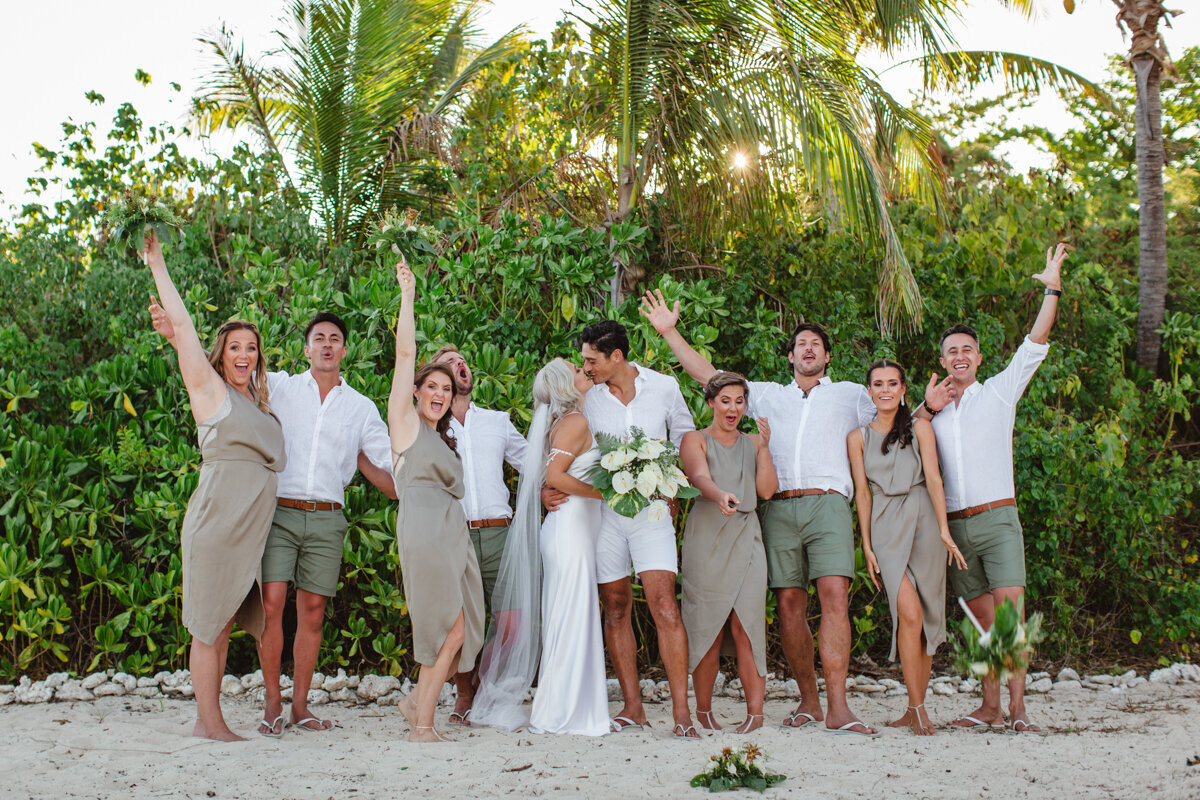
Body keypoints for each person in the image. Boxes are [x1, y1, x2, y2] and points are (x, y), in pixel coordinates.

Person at [641, 291, 877, 735]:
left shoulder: (852, 395)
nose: (808, 348)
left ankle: (839, 708)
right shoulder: (765, 396)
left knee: (833, 596)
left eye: (816, 344)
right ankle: (809, 701)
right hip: (779, 507)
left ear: (827, 356)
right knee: (788, 605)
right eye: (800, 343)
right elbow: (711, 377)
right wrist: (670, 332)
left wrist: (935, 405)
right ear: (790, 356)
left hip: (828, 502)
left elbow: (892, 415)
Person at [919, 243, 1069, 734]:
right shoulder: (932, 413)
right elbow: (896, 439)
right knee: (984, 626)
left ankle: (1018, 709)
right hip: (956, 530)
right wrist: (925, 408)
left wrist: (1051, 286)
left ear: (978, 358)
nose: (959, 357)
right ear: (941, 359)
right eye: (951, 351)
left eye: (967, 350)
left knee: (1010, 619)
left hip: (999, 520)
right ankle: (989, 707)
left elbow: (1036, 340)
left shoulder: (1001, 392)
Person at [144, 231, 286, 741]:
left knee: (222, 624)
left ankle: (211, 720)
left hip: (245, 536)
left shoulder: (261, 404)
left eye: (251, 348)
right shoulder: (211, 393)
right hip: (215, 526)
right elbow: (183, 327)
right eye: (234, 348)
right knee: (208, 626)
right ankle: (210, 723)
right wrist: (157, 261)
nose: (243, 355)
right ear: (219, 355)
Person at [255, 313, 397, 736]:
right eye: (319, 338)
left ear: (345, 350)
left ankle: (300, 706)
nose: (327, 345)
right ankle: (272, 703)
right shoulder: (280, 387)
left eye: (335, 339)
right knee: (270, 605)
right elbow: (232, 379)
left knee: (313, 613)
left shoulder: (360, 407)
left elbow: (387, 463)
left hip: (327, 518)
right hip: (280, 511)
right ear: (306, 348)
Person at [474, 358, 610, 735]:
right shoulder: (575, 423)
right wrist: (603, 492)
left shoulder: (564, 423)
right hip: (570, 531)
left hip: (570, 529)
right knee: (570, 617)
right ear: (567, 385)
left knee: (568, 616)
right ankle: (562, 713)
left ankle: (569, 707)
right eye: (578, 371)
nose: (585, 372)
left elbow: (548, 475)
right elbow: (553, 476)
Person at [577, 320, 698, 739]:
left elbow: (686, 438)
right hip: (603, 513)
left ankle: (682, 713)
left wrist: (676, 484)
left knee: (665, 604)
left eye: (591, 359)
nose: (585, 367)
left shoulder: (664, 387)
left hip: (652, 513)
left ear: (616, 356)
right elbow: (568, 444)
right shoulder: (586, 399)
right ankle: (633, 707)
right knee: (614, 606)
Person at [388, 261, 485, 743]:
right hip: (425, 533)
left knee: (461, 631)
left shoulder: (443, 439)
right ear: (416, 391)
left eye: (447, 390)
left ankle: (414, 705)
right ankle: (421, 726)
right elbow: (406, 354)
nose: (440, 395)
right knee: (442, 629)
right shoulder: (404, 428)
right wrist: (408, 295)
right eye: (433, 387)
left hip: (452, 536)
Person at [847, 360, 967, 735]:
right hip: (885, 525)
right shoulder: (857, 438)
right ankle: (917, 708)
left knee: (929, 615)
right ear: (869, 392)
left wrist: (945, 529)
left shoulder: (919, 428)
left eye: (892, 383)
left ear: (903, 390)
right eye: (878, 384)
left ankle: (914, 706)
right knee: (910, 614)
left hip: (925, 523)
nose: (885, 389)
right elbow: (862, 494)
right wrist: (866, 544)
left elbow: (933, 478)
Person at [430, 345, 527, 725]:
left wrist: (554, 486)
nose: (461, 366)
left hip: (501, 535)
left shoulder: (497, 421)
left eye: (463, 361)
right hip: (456, 535)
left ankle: (485, 686)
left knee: (511, 623)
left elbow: (531, 465)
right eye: (450, 363)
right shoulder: (430, 428)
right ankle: (464, 695)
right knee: (462, 623)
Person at [679, 372, 777, 735]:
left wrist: (764, 449)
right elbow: (699, 477)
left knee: (747, 623)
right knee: (708, 625)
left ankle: (755, 715)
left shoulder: (753, 442)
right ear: (711, 403)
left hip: (746, 536)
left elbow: (766, 490)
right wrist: (719, 494)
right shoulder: (694, 439)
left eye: (739, 401)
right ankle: (703, 712)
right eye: (725, 401)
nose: (733, 408)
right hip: (707, 538)